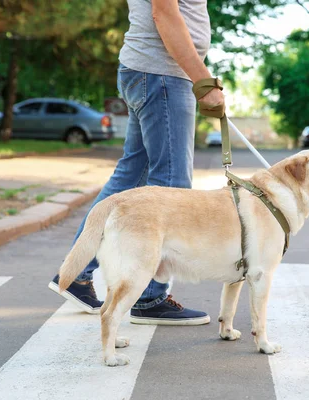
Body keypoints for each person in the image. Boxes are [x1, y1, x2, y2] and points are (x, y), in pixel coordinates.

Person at [48, 0, 224, 326]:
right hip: (162, 75)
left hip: (154, 73)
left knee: (131, 177)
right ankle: (148, 297)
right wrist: (202, 80)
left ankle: (76, 273)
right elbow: (164, 13)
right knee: (171, 186)